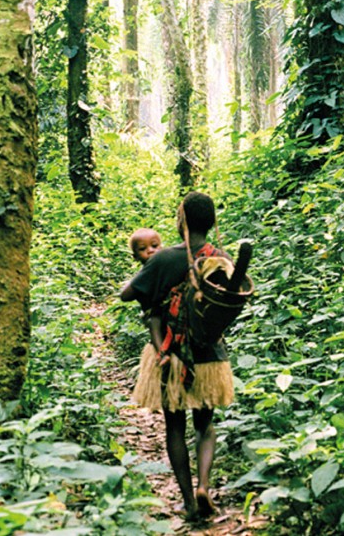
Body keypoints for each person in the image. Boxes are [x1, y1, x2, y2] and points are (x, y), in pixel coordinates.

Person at [120, 191, 235, 522]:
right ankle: (205, 487)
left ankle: (187, 501)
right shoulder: (221, 259)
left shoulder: (163, 259)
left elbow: (127, 294)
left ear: (181, 220)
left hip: (171, 355)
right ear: (212, 222)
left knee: (174, 426)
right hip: (210, 356)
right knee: (205, 424)